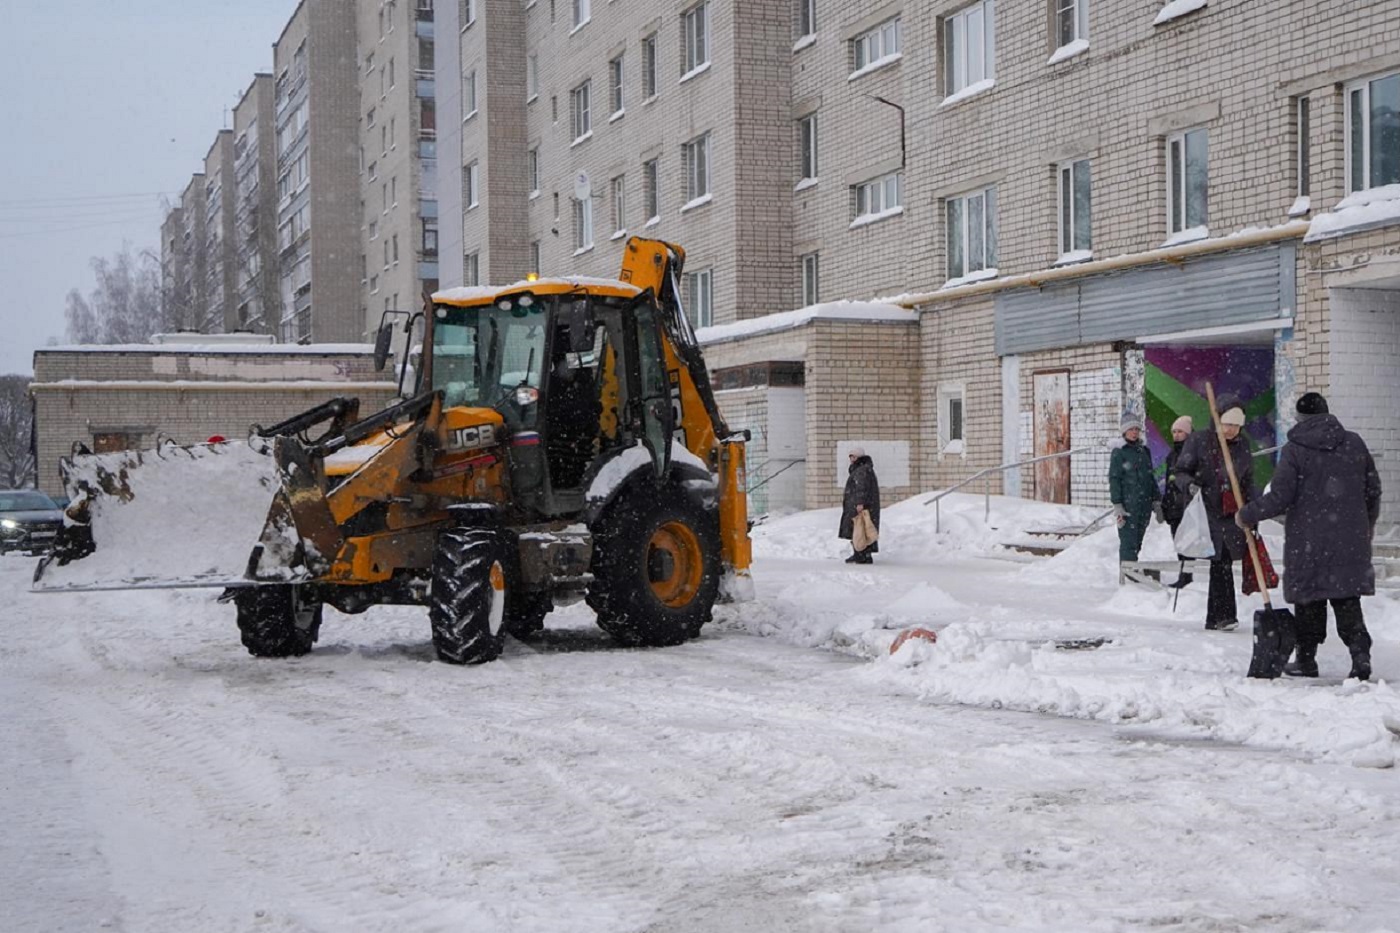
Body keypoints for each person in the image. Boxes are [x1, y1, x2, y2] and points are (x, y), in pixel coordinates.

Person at [1236, 392, 1382, 681]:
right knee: (1346, 597)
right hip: (1349, 537)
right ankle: (1360, 656)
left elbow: (1280, 496)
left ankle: (1306, 658)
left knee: (1309, 598)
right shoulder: (1354, 443)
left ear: (1300, 418)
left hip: (1309, 538)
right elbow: (1372, 489)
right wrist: (1366, 525)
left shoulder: (1295, 449)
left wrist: (1248, 514)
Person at [1172, 397, 1255, 631]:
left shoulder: (1242, 446)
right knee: (1220, 562)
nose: (1231, 430)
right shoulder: (1200, 441)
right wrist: (1190, 485)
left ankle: (1218, 617)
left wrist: (1252, 509)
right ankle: (1223, 616)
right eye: (1227, 424)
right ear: (1217, 421)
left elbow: (1248, 481)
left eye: (1236, 426)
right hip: (1206, 511)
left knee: (1223, 563)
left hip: (1231, 513)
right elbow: (1180, 472)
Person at [1109, 413, 1162, 563]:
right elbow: (1114, 479)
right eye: (1131, 429)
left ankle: (1132, 574)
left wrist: (1156, 500)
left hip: (1144, 505)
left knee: (1138, 541)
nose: (1134, 432)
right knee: (1128, 543)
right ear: (1124, 431)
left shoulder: (1144, 451)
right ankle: (1128, 577)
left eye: (1136, 429)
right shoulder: (1119, 452)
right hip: (1128, 506)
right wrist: (1117, 504)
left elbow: (1150, 477)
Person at [1161, 415, 1195, 588]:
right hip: (1174, 505)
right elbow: (1169, 481)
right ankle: (1184, 572)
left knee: (1189, 541)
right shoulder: (1172, 455)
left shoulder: (1194, 452)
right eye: (1174, 431)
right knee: (1179, 541)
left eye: (1180, 431)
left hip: (1188, 504)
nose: (1176, 435)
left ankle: (1188, 574)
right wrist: (1165, 503)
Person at [839, 448, 881, 564]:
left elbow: (861, 487)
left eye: (853, 456)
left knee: (858, 529)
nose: (851, 459)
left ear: (858, 457)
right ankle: (865, 554)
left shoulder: (861, 470)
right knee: (863, 528)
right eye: (850, 457)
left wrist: (859, 503)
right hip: (866, 505)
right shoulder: (865, 468)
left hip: (859, 505)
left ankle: (860, 554)